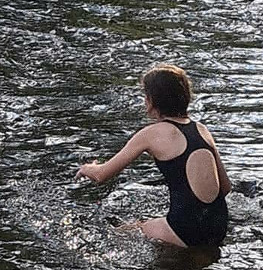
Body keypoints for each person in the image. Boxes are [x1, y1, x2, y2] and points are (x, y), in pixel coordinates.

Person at [75, 64, 230, 248]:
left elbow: (101, 175)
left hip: (186, 230)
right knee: (155, 223)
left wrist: (87, 168)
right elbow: (226, 187)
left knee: (120, 233)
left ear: (151, 101)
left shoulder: (151, 133)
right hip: (219, 226)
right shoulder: (202, 130)